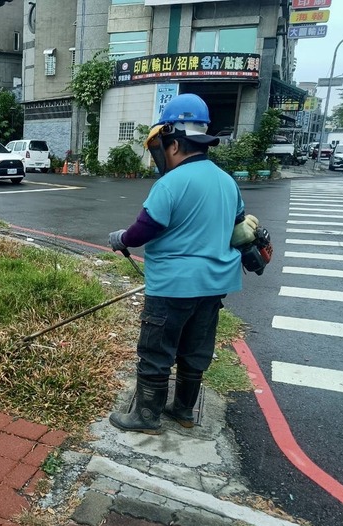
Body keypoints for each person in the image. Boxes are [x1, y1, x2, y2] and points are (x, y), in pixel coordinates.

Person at [107, 93, 258, 435]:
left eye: (161, 145)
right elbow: (237, 225)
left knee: (156, 349)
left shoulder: (170, 183)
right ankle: (184, 410)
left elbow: (145, 229)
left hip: (173, 286)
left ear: (173, 144)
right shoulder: (226, 181)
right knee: (194, 348)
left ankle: (145, 417)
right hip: (214, 285)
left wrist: (122, 238)